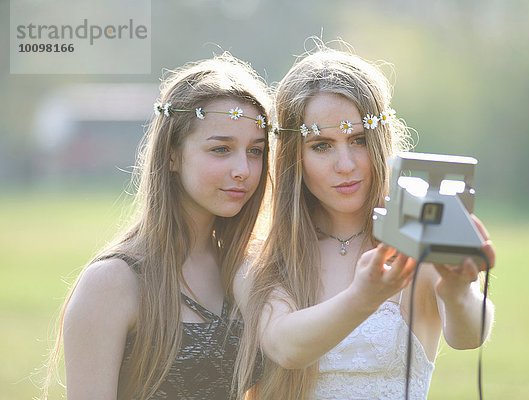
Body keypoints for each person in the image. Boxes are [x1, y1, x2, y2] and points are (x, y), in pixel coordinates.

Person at [234, 42, 496, 400]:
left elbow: (468, 336)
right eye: (322, 145)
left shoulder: (415, 237)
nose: (346, 164)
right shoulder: (265, 258)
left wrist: (457, 289)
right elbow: (285, 347)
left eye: (358, 140)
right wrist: (364, 297)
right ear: (295, 156)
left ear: (379, 141)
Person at [45, 53, 272, 399]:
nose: (243, 169)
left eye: (255, 151)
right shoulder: (113, 282)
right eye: (221, 149)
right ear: (172, 155)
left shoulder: (246, 268)